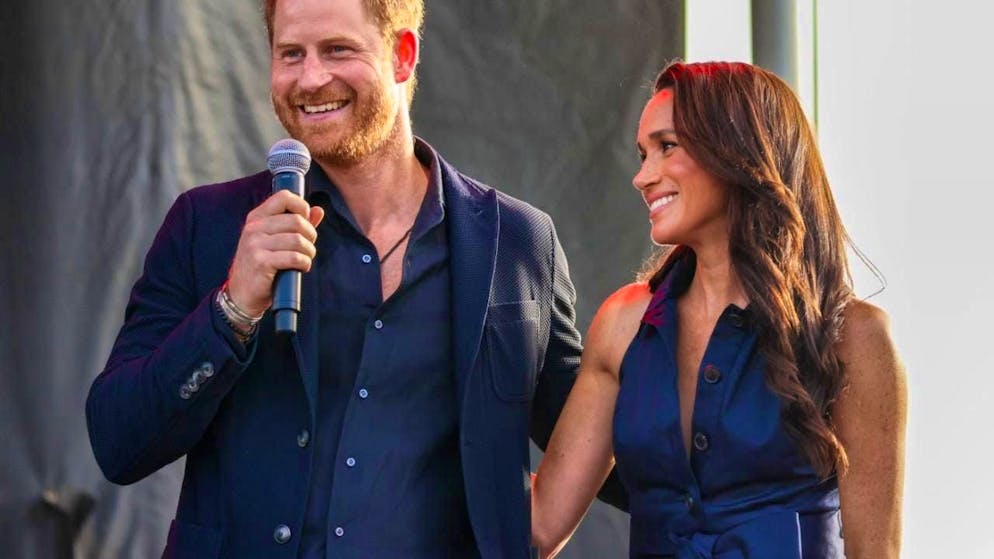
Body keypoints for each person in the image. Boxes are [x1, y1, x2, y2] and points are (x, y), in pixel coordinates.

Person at [85, 0, 621, 557]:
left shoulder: (515, 241)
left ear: (403, 55)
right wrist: (232, 309)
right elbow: (118, 442)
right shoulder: (209, 227)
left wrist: (673, 316)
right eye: (291, 54)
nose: (312, 79)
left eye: (337, 50)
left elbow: (605, 441)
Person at [531, 61, 907, 559]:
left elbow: (875, 554)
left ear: (739, 149)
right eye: (642, 154)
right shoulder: (623, 325)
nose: (643, 176)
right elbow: (539, 523)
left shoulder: (854, 338)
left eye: (668, 147)